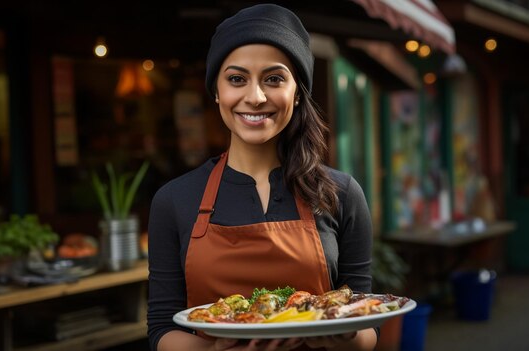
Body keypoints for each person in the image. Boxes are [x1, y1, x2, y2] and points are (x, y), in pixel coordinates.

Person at [148, 4, 376, 351]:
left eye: (274, 79)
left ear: (297, 92)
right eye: (237, 79)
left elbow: (367, 329)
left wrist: (340, 337)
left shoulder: (341, 193)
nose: (255, 98)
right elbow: (162, 330)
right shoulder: (173, 200)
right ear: (216, 91)